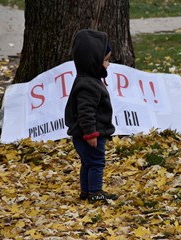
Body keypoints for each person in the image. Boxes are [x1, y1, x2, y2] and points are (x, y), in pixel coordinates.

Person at [65, 29, 117, 203]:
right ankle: (95, 192)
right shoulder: (88, 84)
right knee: (96, 163)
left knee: (87, 163)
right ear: (94, 61)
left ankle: (86, 192)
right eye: (106, 60)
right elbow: (86, 111)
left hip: (87, 133)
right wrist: (91, 134)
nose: (108, 64)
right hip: (90, 133)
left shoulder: (87, 79)